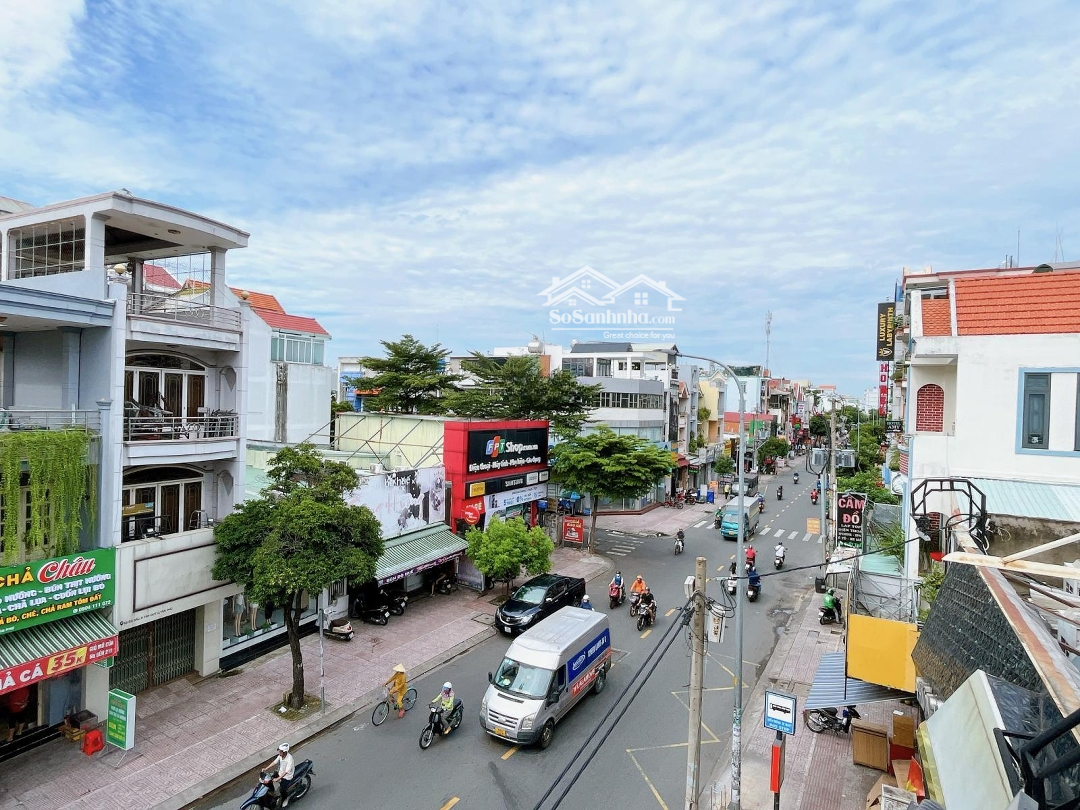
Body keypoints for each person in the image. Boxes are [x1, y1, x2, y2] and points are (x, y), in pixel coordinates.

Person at [267, 742, 295, 807]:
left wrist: (277, 778)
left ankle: (286, 799)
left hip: (287, 777)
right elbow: (274, 762)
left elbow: (286, 772)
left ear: (284, 752)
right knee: (269, 778)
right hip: (280, 772)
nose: (279, 753)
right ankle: (272, 792)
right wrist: (266, 768)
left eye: (280, 751)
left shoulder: (289, 759)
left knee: (282, 790)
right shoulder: (280, 756)